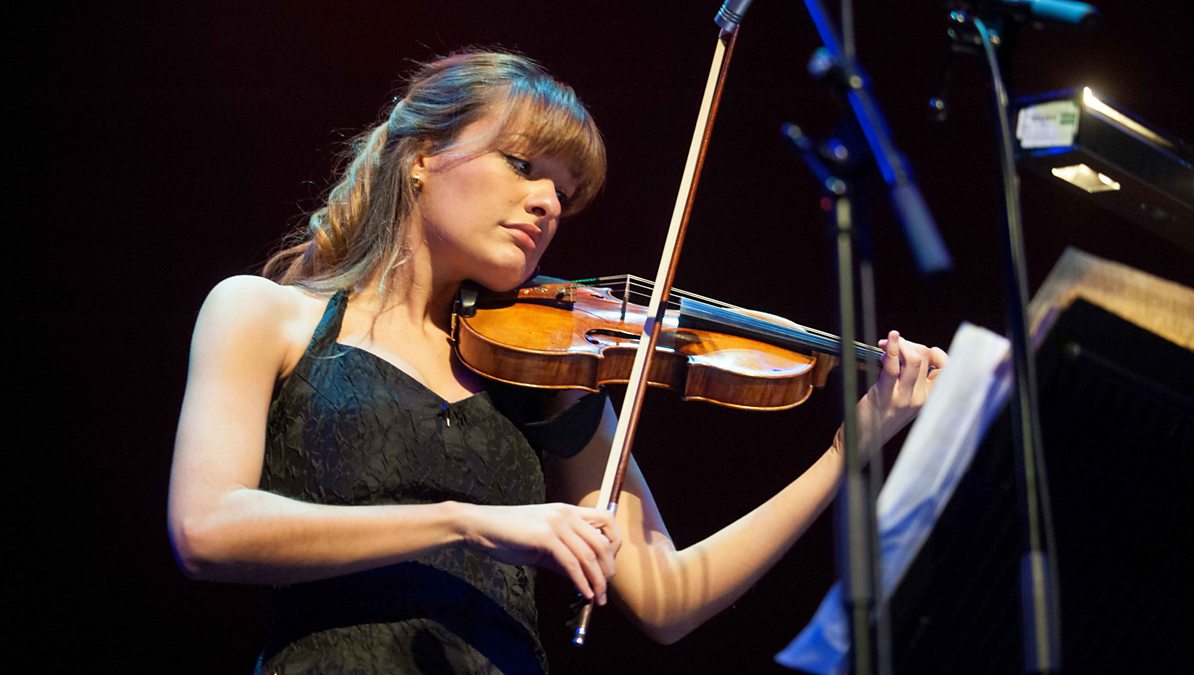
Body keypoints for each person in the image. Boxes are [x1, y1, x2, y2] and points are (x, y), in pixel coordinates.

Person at [168, 49, 947, 673]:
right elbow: (207, 527)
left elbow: (671, 596)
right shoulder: (263, 314)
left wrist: (847, 448)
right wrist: (467, 522)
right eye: (523, 164)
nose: (547, 203)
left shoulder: (548, 377)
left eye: (564, 194)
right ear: (422, 156)